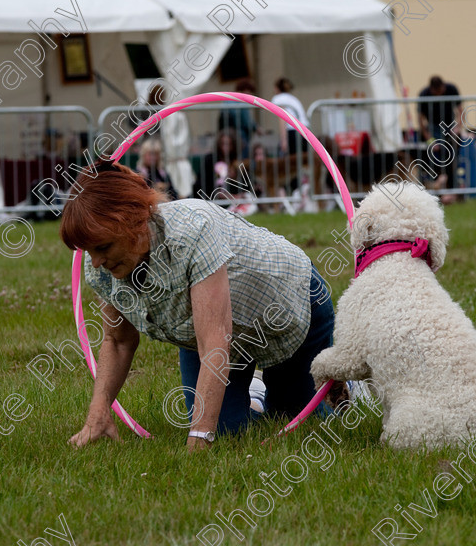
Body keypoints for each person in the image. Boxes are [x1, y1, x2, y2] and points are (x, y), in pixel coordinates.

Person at [60, 160, 336, 451]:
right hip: (213, 333)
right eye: (89, 251)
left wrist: (199, 438)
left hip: (290, 305)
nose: (95, 262)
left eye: (102, 247)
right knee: (228, 432)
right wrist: (98, 413)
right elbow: (117, 341)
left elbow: (215, 341)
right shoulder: (102, 269)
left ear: (136, 223)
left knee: (293, 416)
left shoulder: (193, 231)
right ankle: (250, 390)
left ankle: (350, 387)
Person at [417, 75, 462, 199]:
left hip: (449, 128)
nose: (438, 95)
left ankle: (450, 188)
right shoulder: (424, 94)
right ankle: (438, 188)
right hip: (433, 129)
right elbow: (420, 120)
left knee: (452, 158)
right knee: (434, 159)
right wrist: (430, 140)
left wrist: (457, 128)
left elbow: (460, 110)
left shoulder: (451, 89)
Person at [218, 79, 261, 159]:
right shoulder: (242, 102)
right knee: (242, 160)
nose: (251, 95)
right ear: (245, 90)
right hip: (240, 137)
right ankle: (242, 172)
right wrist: (256, 128)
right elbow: (246, 122)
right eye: (250, 92)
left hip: (226, 136)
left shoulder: (227, 101)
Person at [271, 77, 309, 156]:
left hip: (293, 132)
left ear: (277, 88)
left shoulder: (278, 98)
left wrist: (284, 140)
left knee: (291, 162)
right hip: (305, 131)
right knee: (303, 161)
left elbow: (282, 118)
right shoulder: (293, 99)